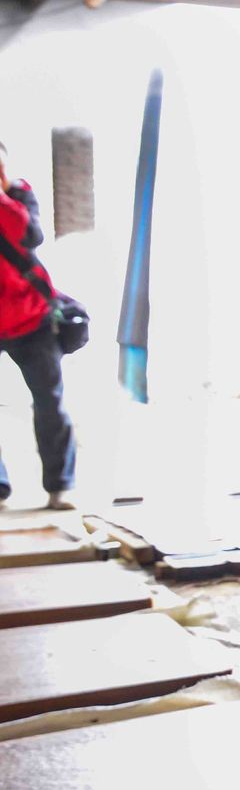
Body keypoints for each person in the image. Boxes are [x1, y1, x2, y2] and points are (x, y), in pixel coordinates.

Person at [0, 142, 76, 512]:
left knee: (50, 403)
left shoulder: (20, 196)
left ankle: (59, 486)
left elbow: (30, 237)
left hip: (33, 319)